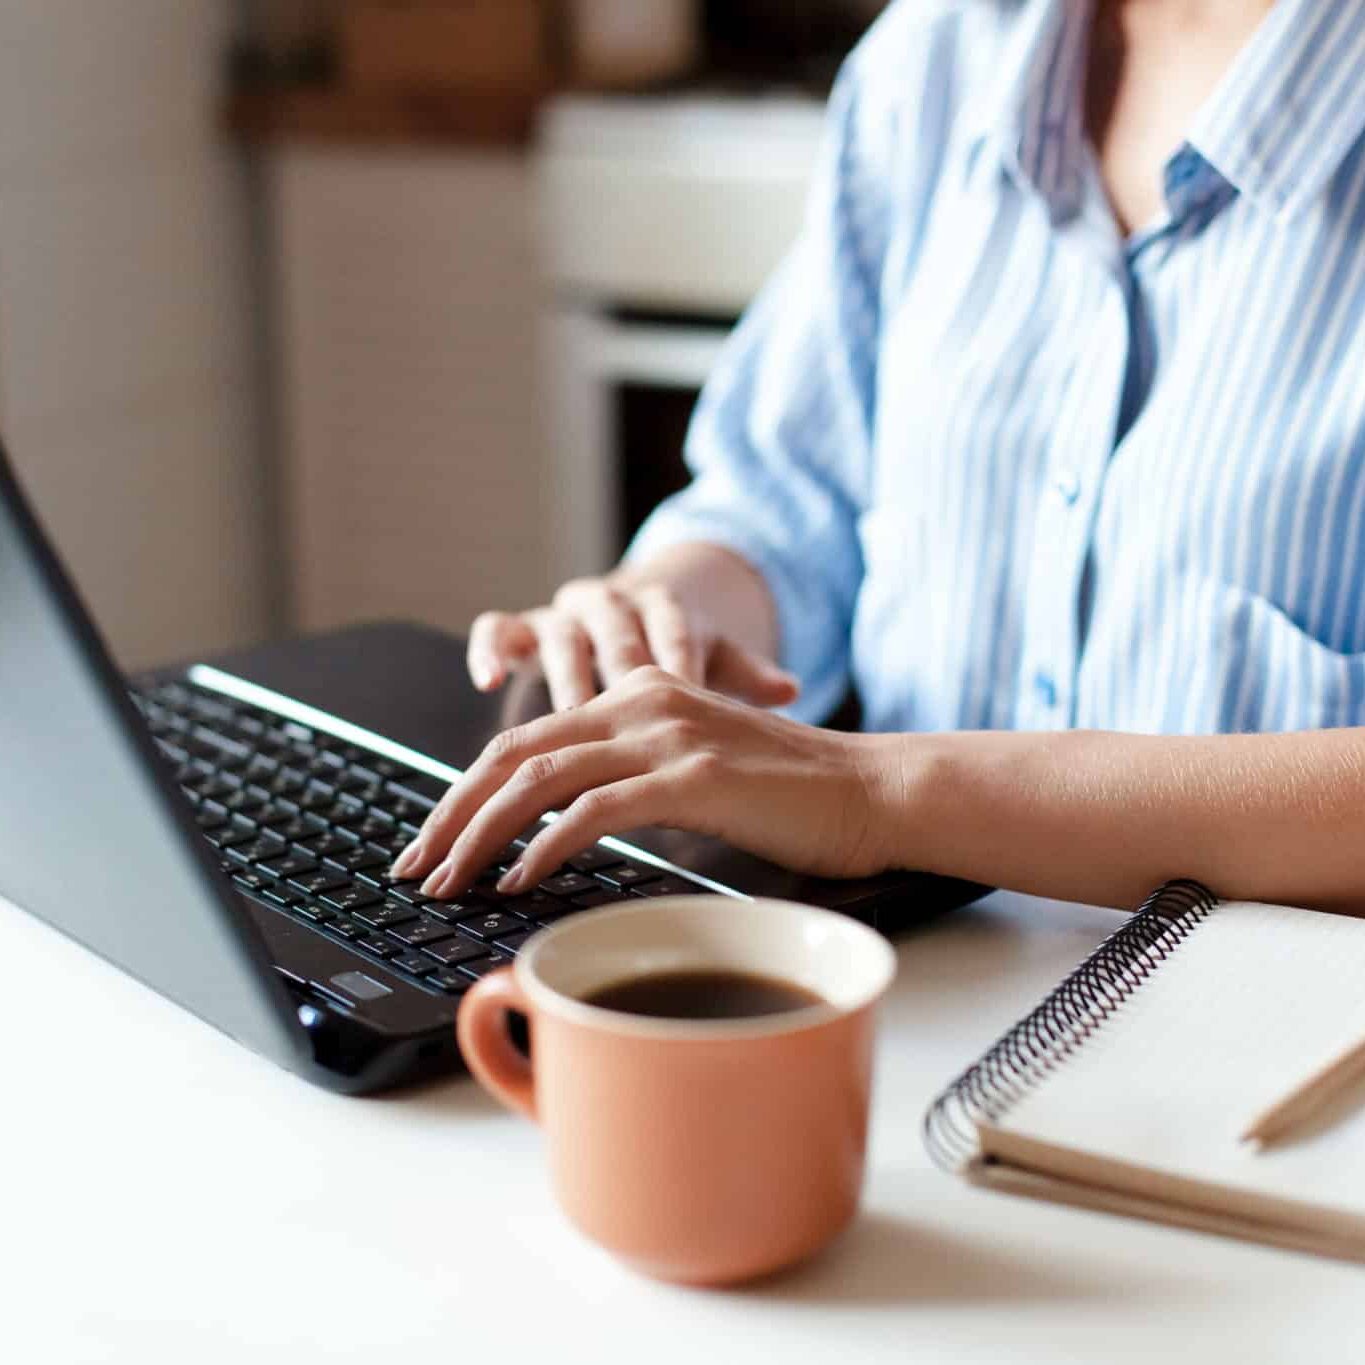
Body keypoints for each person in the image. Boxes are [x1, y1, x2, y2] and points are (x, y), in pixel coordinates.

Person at [393, 0, 1365, 914]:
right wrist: (668, 621)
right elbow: (788, 501)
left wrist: (875, 794)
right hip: (914, 970)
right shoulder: (937, 50)